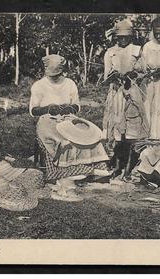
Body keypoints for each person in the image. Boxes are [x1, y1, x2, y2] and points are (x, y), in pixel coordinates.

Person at [30, 54, 110, 188]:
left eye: (57, 74)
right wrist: (48, 108)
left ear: (62, 71)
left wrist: (69, 108)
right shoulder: (39, 85)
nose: (55, 77)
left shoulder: (69, 83)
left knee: (88, 135)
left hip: (68, 118)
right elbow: (33, 110)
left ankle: (90, 170)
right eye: (52, 75)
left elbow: (77, 105)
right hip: (47, 119)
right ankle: (65, 173)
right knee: (62, 140)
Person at [102, 20, 149, 180]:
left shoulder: (137, 50)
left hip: (132, 92)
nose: (123, 40)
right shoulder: (110, 52)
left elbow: (143, 72)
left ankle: (129, 167)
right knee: (116, 130)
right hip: (116, 94)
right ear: (115, 36)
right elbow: (106, 77)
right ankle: (116, 165)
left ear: (131, 36)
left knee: (132, 130)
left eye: (126, 37)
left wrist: (133, 75)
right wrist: (114, 76)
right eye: (120, 37)